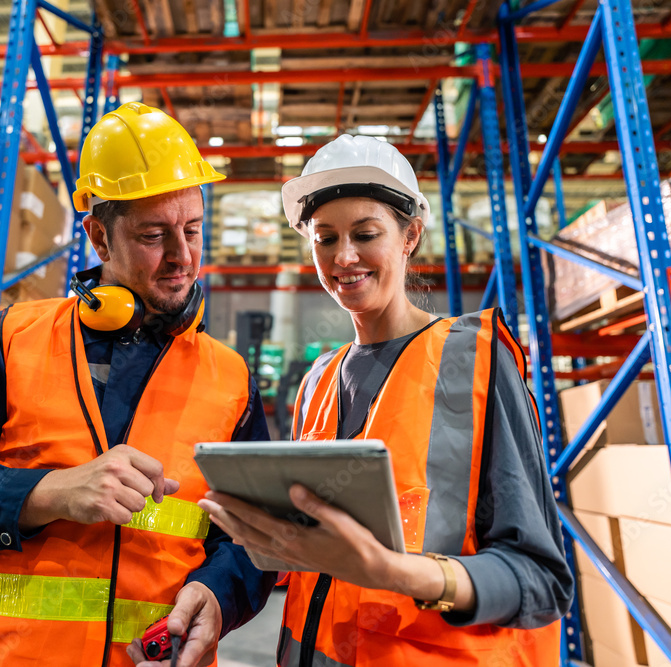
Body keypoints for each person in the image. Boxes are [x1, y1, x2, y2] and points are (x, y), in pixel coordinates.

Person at [0, 102, 276, 667]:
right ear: (98, 235)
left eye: (192, 229)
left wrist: (219, 595)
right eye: (153, 235)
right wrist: (47, 493)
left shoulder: (232, 378)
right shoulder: (8, 340)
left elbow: (254, 538)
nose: (183, 257)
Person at [198, 135, 574, 666]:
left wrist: (394, 573)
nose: (344, 256)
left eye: (365, 234)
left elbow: (540, 582)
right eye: (325, 238)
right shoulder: (318, 383)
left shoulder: (474, 363)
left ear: (410, 236)